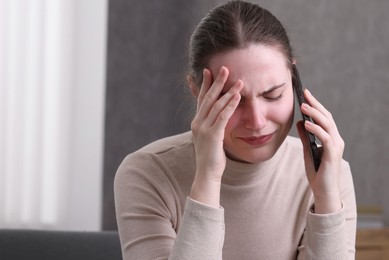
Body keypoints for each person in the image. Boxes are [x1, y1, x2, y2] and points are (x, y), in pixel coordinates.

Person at [114, 1, 357, 259]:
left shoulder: (332, 174)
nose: (257, 121)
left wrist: (327, 198)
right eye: (234, 101)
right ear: (198, 92)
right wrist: (207, 177)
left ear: (294, 82)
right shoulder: (147, 174)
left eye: (273, 95)